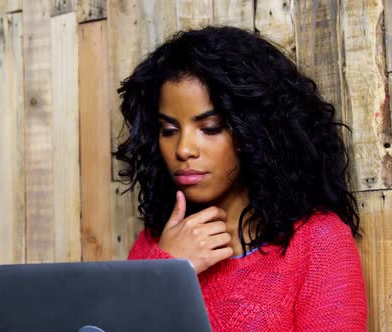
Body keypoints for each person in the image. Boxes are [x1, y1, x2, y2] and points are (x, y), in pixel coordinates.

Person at [114, 26, 367, 331]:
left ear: (254, 132)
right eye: (168, 131)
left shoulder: (317, 242)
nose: (183, 149)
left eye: (209, 128)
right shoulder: (155, 245)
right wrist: (166, 272)